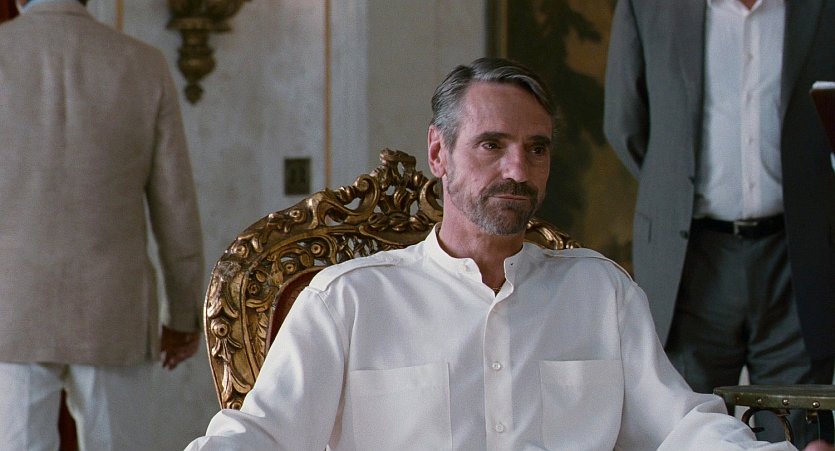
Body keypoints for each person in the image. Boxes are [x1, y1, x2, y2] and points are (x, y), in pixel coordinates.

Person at [185, 57, 830, 450]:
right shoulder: (347, 300)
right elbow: (262, 435)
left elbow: (683, 427)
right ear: (438, 152)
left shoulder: (599, 292)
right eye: (491, 145)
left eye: (537, 149)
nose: (518, 170)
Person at [603, 0, 835, 445]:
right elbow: (625, 125)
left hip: (797, 261)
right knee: (688, 430)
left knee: (800, 433)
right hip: (690, 260)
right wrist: (675, 192)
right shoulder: (648, 6)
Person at [0, 0, 205, 449]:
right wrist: (183, 314)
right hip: (113, 307)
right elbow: (176, 205)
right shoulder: (143, 64)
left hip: (10, 308)